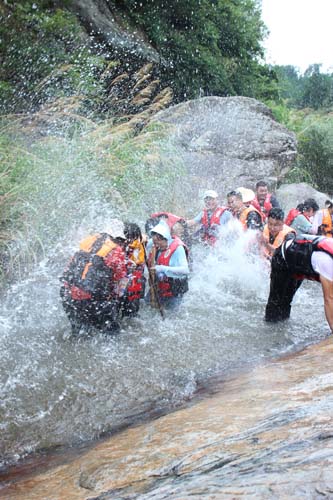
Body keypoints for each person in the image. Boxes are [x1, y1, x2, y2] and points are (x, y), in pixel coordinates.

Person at [60, 219, 128, 335]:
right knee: (112, 332)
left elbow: (69, 269)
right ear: (118, 237)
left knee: (80, 332)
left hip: (68, 296)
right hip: (92, 299)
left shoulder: (86, 244)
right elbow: (120, 279)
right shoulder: (116, 251)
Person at [265, 233, 333, 334]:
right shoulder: (328, 262)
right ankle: (270, 334)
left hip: (300, 263)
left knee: (286, 302)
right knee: (276, 305)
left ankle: (281, 332)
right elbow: (329, 299)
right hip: (283, 259)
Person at [147, 221, 189, 309]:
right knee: (147, 304)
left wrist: (163, 269)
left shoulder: (178, 248)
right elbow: (145, 243)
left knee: (172, 314)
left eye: (158, 243)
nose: (156, 245)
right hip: (160, 285)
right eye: (154, 242)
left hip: (175, 289)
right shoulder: (155, 243)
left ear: (164, 238)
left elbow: (185, 270)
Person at [121, 222, 146, 318]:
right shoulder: (139, 242)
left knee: (131, 300)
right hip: (131, 278)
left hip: (134, 279)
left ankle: (131, 314)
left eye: (133, 237)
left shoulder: (137, 246)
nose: (130, 240)